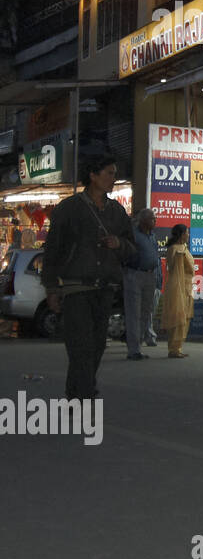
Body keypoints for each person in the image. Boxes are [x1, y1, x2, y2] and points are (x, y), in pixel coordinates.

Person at [40, 154, 136, 399]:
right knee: (80, 346)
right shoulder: (69, 209)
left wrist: (119, 244)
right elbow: (53, 250)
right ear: (93, 176)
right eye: (109, 173)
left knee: (97, 346)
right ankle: (83, 394)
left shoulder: (116, 211)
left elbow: (132, 248)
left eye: (115, 174)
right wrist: (52, 288)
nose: (113, 179)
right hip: (75, 288)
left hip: (104, 287)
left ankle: (78, 391)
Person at [123, 208, 160, 360]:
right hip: (135, 274)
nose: (155, 221)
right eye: (152, 219)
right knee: (134, 312)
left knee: (146, 312)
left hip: (150, 275)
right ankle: (133, 349)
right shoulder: (134, 234)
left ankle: (138, 346)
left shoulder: (152, 236)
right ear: (144, 220)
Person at [161, 224, 195, 358]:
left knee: (185, 318)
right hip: (177, 286)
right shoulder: (174, 249)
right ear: (181, 235)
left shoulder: (184, 248)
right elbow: (174, 266)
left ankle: (178, 347)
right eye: (187, 233)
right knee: (177, 317)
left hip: (187, 287)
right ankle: (173, 349)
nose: (188, 235)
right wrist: (179, 255)